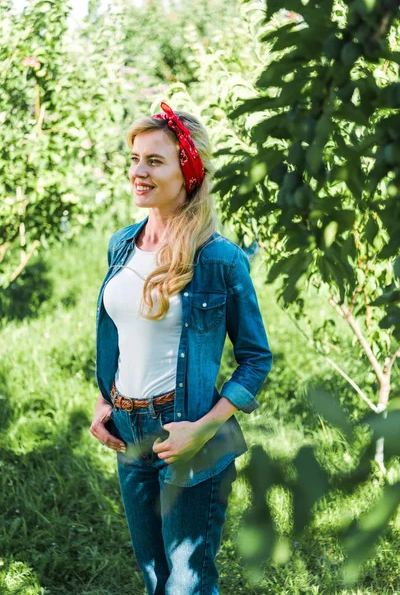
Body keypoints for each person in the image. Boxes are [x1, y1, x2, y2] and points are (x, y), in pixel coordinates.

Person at [90, 101, 272, 595]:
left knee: (186, 584)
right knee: (154, 576)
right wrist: (106, 400)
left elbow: (256, 358)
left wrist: (201, 429)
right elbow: (119, 333)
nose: (138, 172)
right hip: (129, 432)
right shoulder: (121, 245)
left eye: (154, 160)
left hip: (188, 430)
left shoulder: (218, 259)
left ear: (188, 172)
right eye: (134, 159)